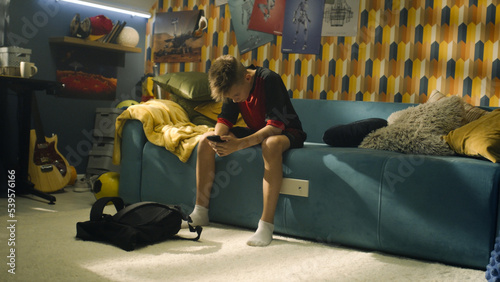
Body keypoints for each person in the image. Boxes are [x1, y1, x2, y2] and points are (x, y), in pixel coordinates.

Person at [188, 55, 307, 246]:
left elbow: (275, 128)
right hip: (257, 130)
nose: (234, 101)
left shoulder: (269, 80)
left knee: (270, 144)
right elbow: (225, 119)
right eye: (230, 98)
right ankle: (200, 211)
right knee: (204, 140)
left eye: (236, 96)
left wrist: (238, 144)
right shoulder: (233, 85)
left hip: (287, 131)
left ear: (248, 78)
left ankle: (266, 225)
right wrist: (218, 140)